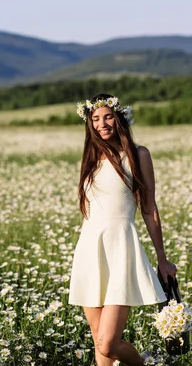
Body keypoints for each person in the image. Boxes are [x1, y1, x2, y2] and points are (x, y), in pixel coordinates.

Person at [69, 93, 178, 366]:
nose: (102, 124)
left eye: (107, 117)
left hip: (121, 250)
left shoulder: (138, 154)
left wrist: (162, 259)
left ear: (119, 117)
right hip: (89, 252)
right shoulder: (91, 156)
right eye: (95, 119)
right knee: (98, 341)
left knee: (108, 343)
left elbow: (149, 208)